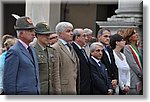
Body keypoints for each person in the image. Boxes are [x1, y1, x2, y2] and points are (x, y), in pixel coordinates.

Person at [3, 16, 40, 95]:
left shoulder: (32, 49)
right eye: (30, 31)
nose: (33, 34)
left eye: (33, 30)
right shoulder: (14, 51)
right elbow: (9, 80)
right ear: (21, 34)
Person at [52, 22, 79, 95]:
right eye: (68, 31)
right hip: (64, 89)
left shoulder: (70, 47)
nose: (71, 33)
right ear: (60, 34)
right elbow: (56, 73)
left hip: (72, 87)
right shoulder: (56, 48)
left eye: (71, 31)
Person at [34, 22, 61, 95]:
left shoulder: (52, 51)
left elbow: (55, 75)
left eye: (49, 35)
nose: (48, 37)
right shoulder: (32, 50)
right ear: (37, 35)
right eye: (45, 35)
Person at [97, 28, 118, 93]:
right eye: (105, 36)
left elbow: (114, 65)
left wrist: (115, 78)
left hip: (112, 83)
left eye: (109, 36)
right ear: (99, 37)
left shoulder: (109, 49)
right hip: (103, 84)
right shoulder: (96, 49)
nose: (108, 38)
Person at [72, 28, 92, 94]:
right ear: (77, 37)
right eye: (83, 36)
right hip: (80, 85)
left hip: (86, 85)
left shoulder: (82, 49)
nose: (86, 38)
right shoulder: (73, 48)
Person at [123, 28, 143, 95]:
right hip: (134, 77)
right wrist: (141, 74)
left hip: (140, 78)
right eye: (134, 33)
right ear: (129, 37)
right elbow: (132, 64)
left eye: (136, 32)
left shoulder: (138, 48)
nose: (137, 34)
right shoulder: (127, 48)